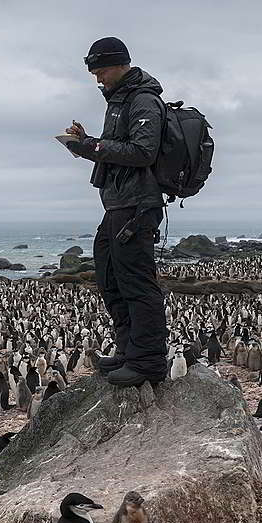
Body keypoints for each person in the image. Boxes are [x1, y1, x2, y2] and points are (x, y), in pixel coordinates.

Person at [65, 37, 168, 387]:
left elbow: (142, 152)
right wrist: (86, 143)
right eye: (94, 72)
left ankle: (149, 361)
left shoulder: (142, 100)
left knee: (136, 282)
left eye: (102, 70)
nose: (98, 79)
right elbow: (118, 149)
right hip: (118, 204)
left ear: (122, 64)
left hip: (137, 205)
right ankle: (128, 350)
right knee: (110, 277)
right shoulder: (120, 100)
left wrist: (92, 145)